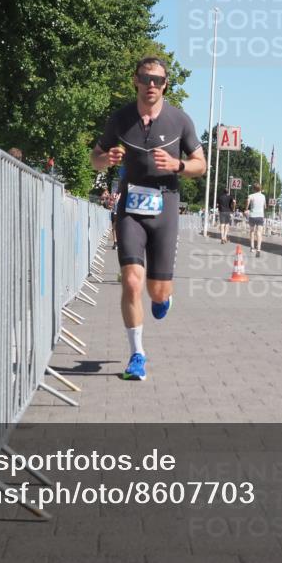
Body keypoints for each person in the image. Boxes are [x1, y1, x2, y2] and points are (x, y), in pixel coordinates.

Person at [90, 57, 206, 381]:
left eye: (158, 79)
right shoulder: (120, 119)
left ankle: (162, 297)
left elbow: (201, 164)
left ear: (165, 84)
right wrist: (106, 158)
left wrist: (178, 165)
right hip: (130, 207)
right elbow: (94, 158)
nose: (151, 84)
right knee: (130, 281)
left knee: (157, 292)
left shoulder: (180, 120)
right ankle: (136, 354)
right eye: (145, 78)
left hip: (165, 206)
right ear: (135, 81)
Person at [245, 183, 266, 256]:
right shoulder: (263, 196)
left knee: (252, 231)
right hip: (260, 216)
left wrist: (246, 208)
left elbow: (247, 201)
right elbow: (265, 206)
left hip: (252, 215)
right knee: (259, 233)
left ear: (253, 189)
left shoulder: (251, 196)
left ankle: (252, 247)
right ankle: (258, 249)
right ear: (260, 189)